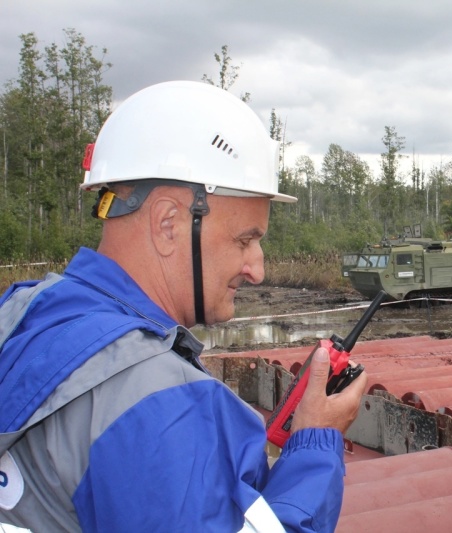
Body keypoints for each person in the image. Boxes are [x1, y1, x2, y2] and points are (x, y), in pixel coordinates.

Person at [0, 81, 367, 532]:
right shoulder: (160, 403)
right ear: (170, 223)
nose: (257, 269)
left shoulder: (23, 311)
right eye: (245, 239)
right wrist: (315, 441)